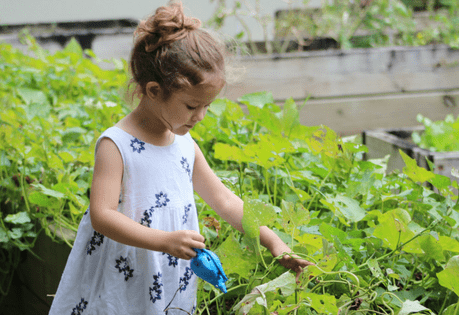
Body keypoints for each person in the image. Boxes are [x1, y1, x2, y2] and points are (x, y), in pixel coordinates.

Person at [48, 1, 313, 314]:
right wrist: (163, 240)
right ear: (154, 90)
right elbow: (102, 215)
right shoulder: (116, 144)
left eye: (206, 107)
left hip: (166, 275)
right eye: (191, 106)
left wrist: (273, 241)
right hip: (124, 273)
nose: (200, 116)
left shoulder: (185, 146)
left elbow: (225, 202)